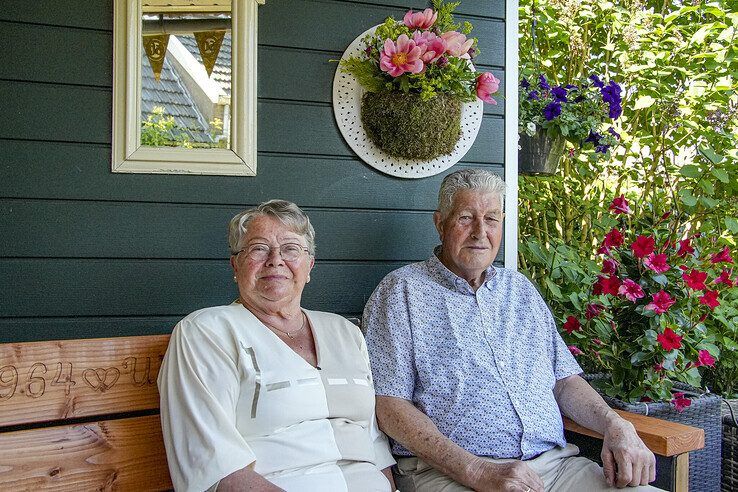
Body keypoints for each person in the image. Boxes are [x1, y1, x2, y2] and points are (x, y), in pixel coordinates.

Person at [363, 169, 659, 492]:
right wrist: (477, 471)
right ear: (440, 223)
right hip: (452, 473)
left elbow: (565, 383)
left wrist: (616, 424)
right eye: (466, 218)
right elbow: (389, 406)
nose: (480, 232)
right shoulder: (401, 293)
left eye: (491, 219)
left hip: (555, 468)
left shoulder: (519, 291)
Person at [158, 199, 395, 492]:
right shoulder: (207, 332)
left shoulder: (346, 332)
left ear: (309, 266)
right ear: (236, 264)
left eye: (291, 249)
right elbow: (219, 470)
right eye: (258, 248)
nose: (275, 260)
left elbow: (374, 446)